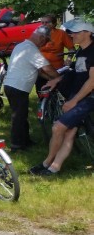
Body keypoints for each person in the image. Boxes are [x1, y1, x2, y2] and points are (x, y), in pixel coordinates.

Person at [31, 20, 94, 176]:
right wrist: (56, 80)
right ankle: (54, 167)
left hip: (87, 98)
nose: (71, 35)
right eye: (71, 32)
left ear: (87, 33)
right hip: (77, 96)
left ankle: (47, 163)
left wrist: (73, 101)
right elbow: (73, 71)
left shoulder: (93, 51)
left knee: (58, 127)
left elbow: (92, 81)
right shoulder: (81, 51)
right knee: (69, 132)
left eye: (76, 32)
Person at [3, 28, 59, 151]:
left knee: (22, 114)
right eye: (45, 41)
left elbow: (39, 71)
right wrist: (59, 78)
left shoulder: (21, 46)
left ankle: (25, 140)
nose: (44, 44)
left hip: (12, 85)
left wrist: (52, 79)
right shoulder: (31, 50)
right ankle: (17, 145)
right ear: (41, 38)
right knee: (19, 117)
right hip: (18, 87)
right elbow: (47, 68)